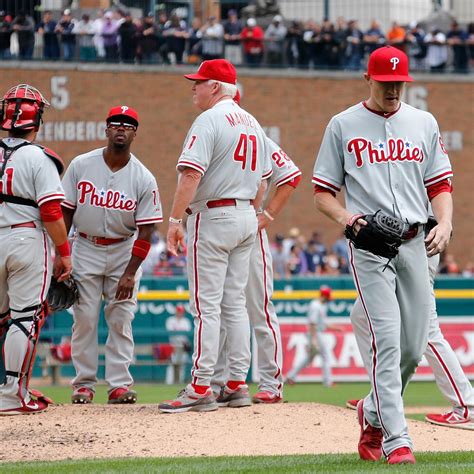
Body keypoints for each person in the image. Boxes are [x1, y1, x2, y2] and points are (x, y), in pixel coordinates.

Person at [312, 46, 453, 464]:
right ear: (368, 79)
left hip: (415, 241)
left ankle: (372, 413)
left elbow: (440, 185)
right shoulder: (342, 125)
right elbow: (322, 193)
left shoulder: (423, 122)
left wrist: (445, 223)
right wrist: (348, 218)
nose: (393, 89)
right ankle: (397, 440)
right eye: (386, 82)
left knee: (413, 348)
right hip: (370, 246)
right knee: (388, 343)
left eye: (399, 83)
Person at [158, 59, 272, 413]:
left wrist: (175, 219)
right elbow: (264, 180)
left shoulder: (209, 120)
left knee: (205, 307)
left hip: (213, 215)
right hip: (245, 215)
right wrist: (249, 211)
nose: (194, 87)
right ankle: (236, 383)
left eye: (200, 81)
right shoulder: (254, 122)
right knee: (234, 304)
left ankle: (200, 385)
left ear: (217, 87)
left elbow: (191, 175)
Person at [59, 106, 163, 405]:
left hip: (123, 250)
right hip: (86, 246)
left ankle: (119, 385)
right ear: (106, 129)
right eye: (116, 123)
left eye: (128, 125)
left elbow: (146, 231)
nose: (121, 129)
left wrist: (130, 273)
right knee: (84, 319)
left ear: (134, 133)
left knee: (121, 318)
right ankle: (83, 384)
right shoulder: (81, 165)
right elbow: (66, 211)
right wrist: (60, 252)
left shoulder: (143, 177)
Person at [213, 120, 302, 403]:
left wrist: (269, 214)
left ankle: (271, 382)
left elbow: (291, 175)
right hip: (216, 227)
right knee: (219, 308)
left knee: (259, 307)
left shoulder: (257, 137)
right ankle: (219, 382)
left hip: (249, 226)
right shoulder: (210, 132)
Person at [0, 84, 72, 415]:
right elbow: (52, 211)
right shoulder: (40, 157)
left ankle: (12, 388)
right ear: (37, 120)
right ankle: (13, 394)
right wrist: (64, 252)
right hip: (25, 238)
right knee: (25, 317)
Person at [347, 251, 474, 431]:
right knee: (359, 316)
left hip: (417, 249)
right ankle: (381, 396)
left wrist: (445, 231)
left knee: (428, 332)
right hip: (393, 251)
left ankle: (468, 407)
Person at [285, 286, 342, 386]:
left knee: (309, 357)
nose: (329, 300)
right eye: (328, 297)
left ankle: (291, 376)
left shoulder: (322, 305)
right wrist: (314, 340)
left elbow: (323, 323)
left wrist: (336, 328)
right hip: (315, 333)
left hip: (317, 333)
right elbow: (312, 324)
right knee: (325, 356)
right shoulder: (315, 306)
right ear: (323, 296)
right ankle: (328, 381)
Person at [165, 304, 192, 384]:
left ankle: (179, 382)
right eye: (178, 311)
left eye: (181, 311)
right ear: (176, 311)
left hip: (183, 345)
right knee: (172, 364)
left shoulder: (186, 321)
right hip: (173, 345)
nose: (180, 313)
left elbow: (187, 333)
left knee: (182, 365)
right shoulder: (170, 320)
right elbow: (170, 331)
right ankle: (169, 382)